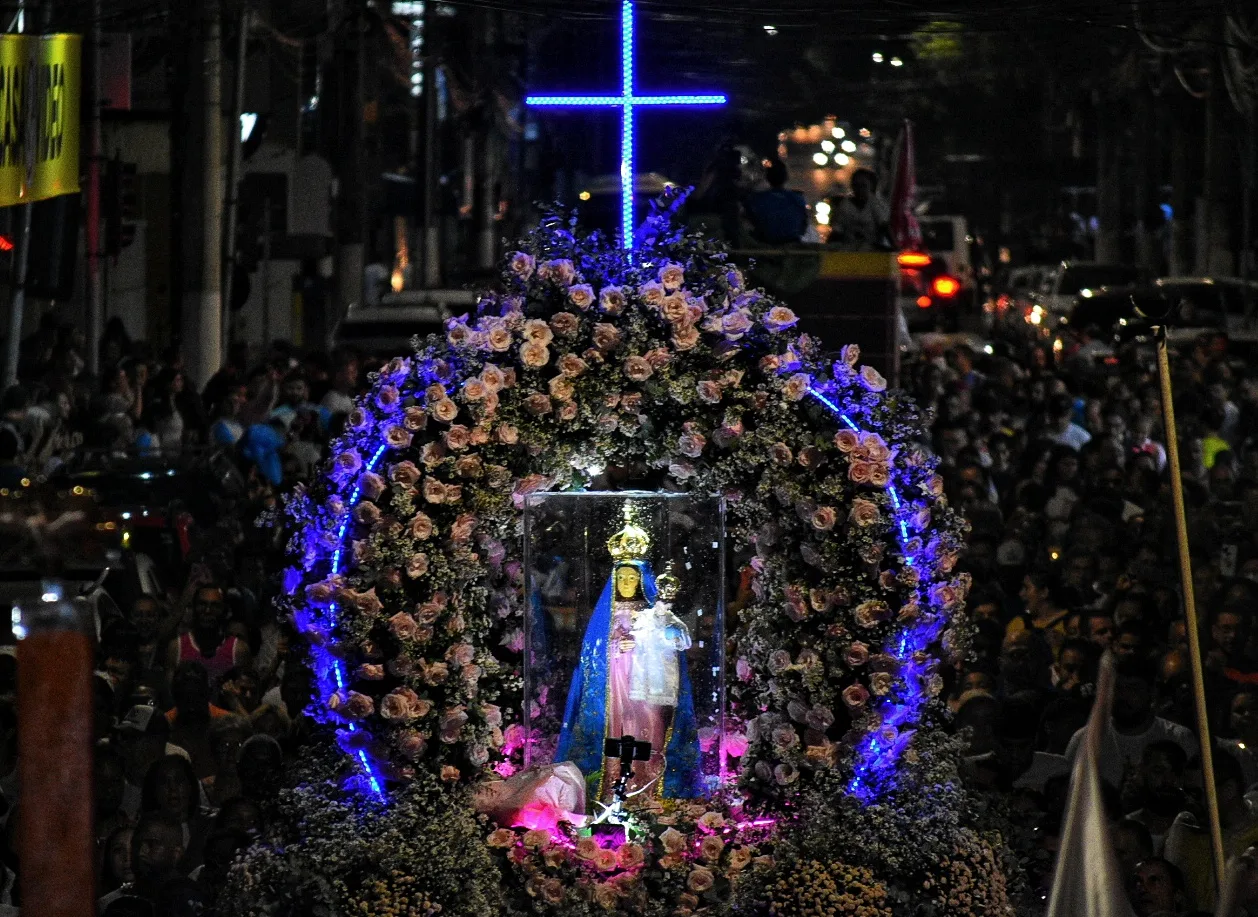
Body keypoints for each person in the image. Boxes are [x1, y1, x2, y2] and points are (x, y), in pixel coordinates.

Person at [167, 585, 251, 688]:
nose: (207, 611)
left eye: (215, 606)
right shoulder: (176, 648)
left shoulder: (238, 650)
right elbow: (170, 695)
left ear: (224, 611)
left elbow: (246, 694)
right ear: (194, 608)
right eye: (202, 604)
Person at [744, 159, 808, 245]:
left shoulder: (756, 199)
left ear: (767, 178)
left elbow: (752, 220)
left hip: (766, 244)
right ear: (786, 177)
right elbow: (803, 226)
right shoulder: (797, 198)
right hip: (791, 243)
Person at [830, 168, 889, 250]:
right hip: (849, 249)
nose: (859, 190)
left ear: (871, 187)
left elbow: (884, 227)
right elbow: (837, 230)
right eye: (856, 185)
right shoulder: (845, 205)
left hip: (872, 250)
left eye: (863, 186)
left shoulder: (876, 204)